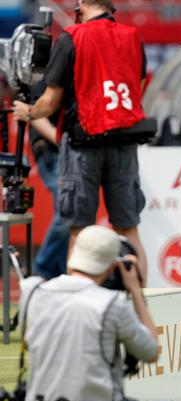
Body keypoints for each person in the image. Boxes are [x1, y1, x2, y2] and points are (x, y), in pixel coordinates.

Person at [12, 0, 149, 284]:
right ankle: (140, 304)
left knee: (79, 230)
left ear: (81, 5)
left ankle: (79, 305)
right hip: (124, 139)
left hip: (83, 142)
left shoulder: (72, 36)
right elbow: (137, 84)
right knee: (129, 230)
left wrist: (28, 112)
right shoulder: (132, 36)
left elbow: (49, 102)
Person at [19, 225, 159, 401]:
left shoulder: (31, 293)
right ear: (114, 264)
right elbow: (151, 351)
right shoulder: (113, 304)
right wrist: (135, 289)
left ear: (75, 252)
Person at [29, 80, 70, 280]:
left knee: (70, 212)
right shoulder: (50, 67)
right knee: (67, 210)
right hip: (52, 149)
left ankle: (58, 274)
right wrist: (62, 139)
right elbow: (34, 112)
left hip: (69, 148)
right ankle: (43, 270)